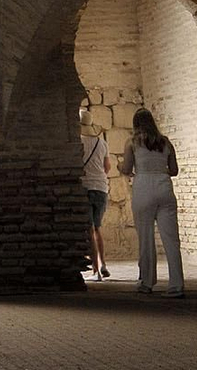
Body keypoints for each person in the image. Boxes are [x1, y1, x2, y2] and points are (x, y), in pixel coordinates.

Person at [117, 108, 184, 298]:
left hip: (143, 187)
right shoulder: (166, 142)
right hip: (164, 187)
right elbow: (174, 170)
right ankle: (176, 285)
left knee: (146, 238)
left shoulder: (132, 142)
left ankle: (146, 282)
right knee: (171, 240)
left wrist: (120, 166)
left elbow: (128, 168)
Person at [79, 108, 111, 282]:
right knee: (98, 228)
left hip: (85, 187)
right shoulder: (102, 143)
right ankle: (104, 263)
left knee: (89, 229)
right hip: (101, 188)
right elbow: (107, 168)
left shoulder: (78, 142)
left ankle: (95, 271)